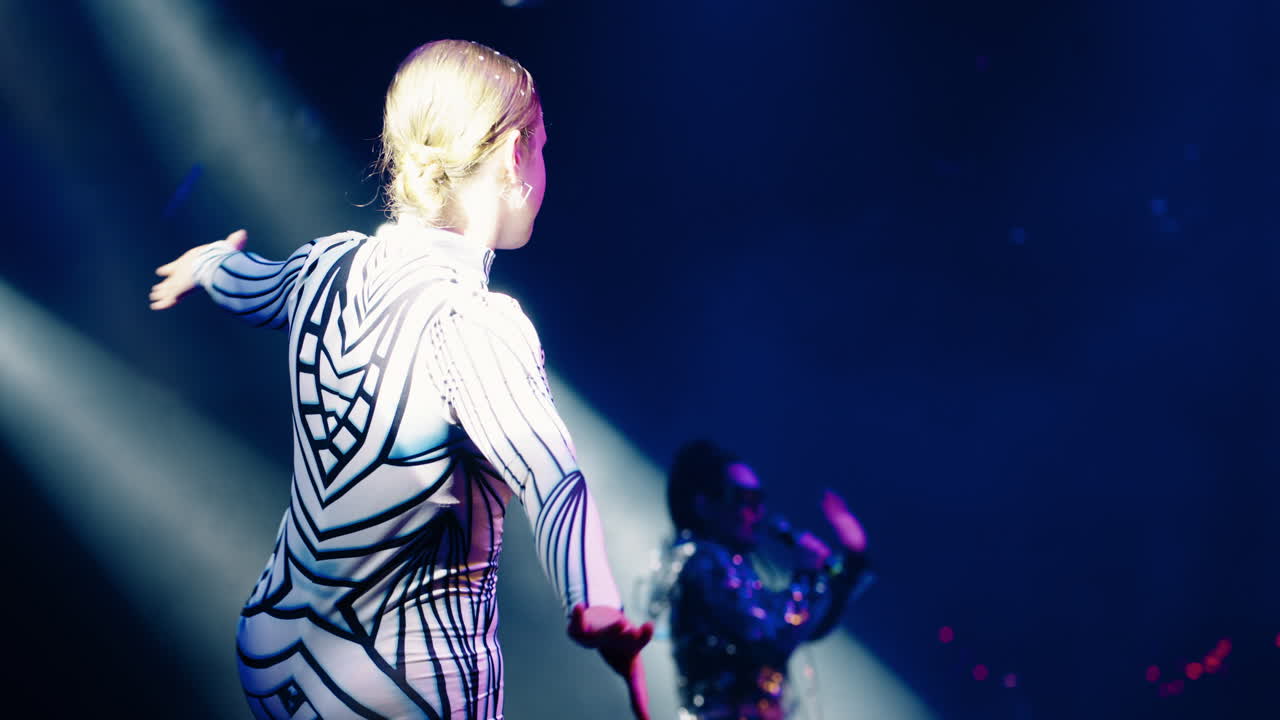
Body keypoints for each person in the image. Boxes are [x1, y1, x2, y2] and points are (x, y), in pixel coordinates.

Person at [149, 39, 651, 720]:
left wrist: (207, 264)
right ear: (511, 156)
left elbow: (253, 284)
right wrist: (596, 603)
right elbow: (553, 478)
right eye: (540, 146)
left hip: (274, 650)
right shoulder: (474, 321)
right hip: (398, 678)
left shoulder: (327, 263)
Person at [659, 440, 870, 720]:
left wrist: (851, 565)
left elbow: (801, 627)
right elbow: (767, 639)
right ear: (704, 505)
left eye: (760, 500)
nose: (758, 513)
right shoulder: (702, 563)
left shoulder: (733, 568)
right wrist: (806, 576)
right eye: (745, 500)